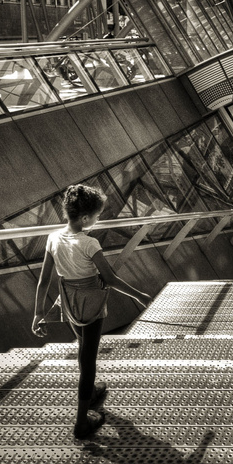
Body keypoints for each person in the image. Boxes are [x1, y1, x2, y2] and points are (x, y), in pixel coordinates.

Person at [32, 184, 146, 441]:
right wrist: (139, 295)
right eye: (96, 215)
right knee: (88, 362)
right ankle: (81, 421)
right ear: (85, 218)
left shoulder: (53, 238)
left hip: (70, 302)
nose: (98, 219)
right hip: (92, 305)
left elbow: (43, 281)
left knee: (83, 345)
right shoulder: (89, 243)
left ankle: (93, 391)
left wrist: (38, 313)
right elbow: (111, 279)